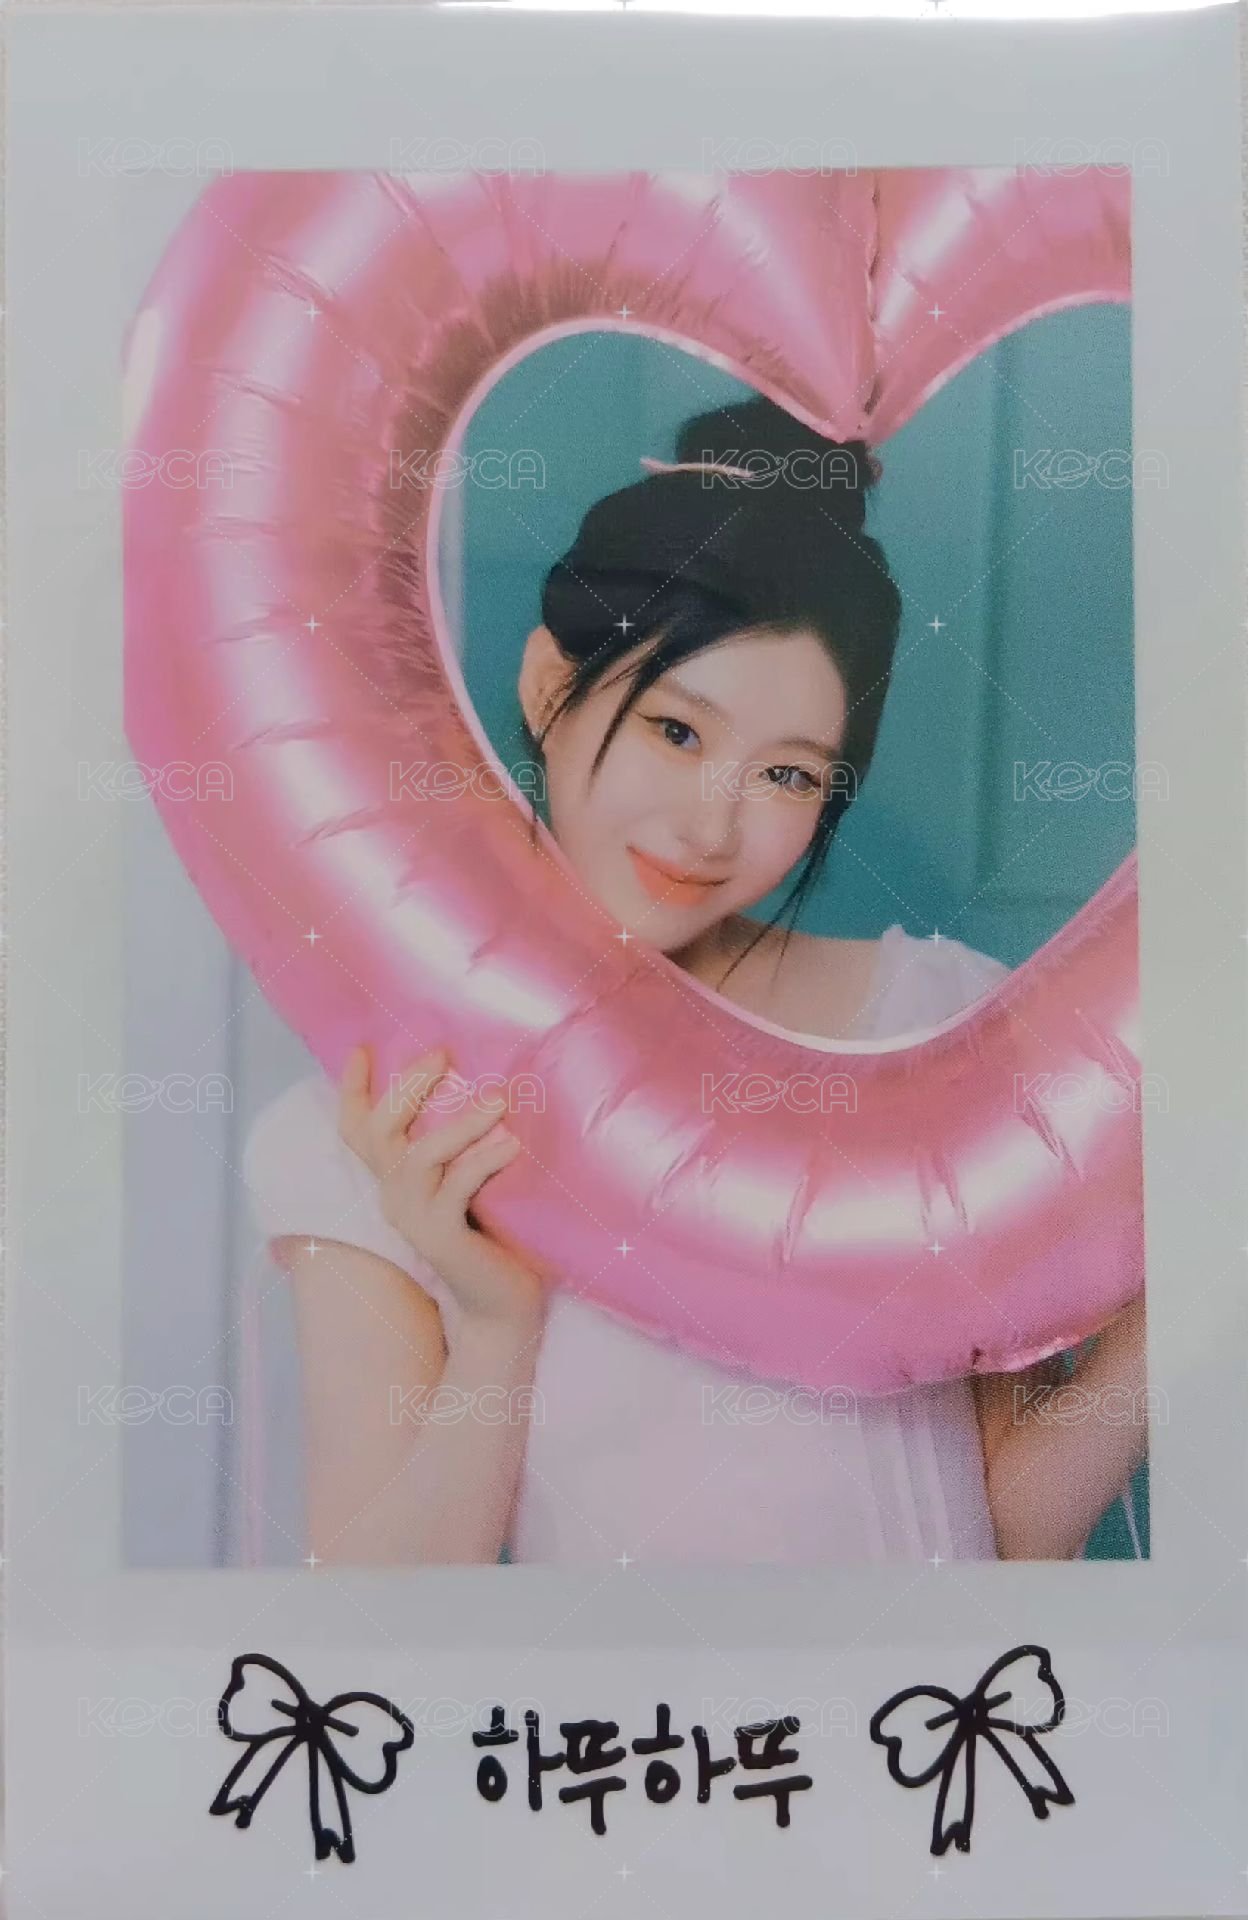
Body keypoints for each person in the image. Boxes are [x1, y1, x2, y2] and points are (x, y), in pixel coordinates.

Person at [243, 396, 1147, 1567]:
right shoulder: (378, 1119)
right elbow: (380, 1618)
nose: (710, 829)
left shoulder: (937, 1025)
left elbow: (1007, 1532)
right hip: (646, 1699)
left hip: (936, 1691)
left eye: (786, 774)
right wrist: (495, 1320)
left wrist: (1184, 1286)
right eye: (676, 731)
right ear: (549, 686)